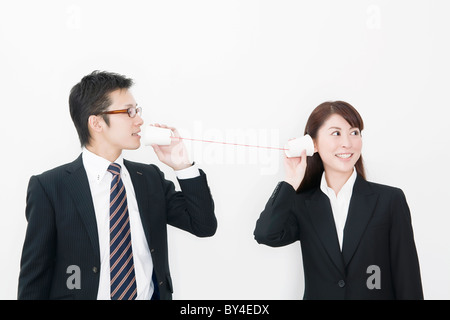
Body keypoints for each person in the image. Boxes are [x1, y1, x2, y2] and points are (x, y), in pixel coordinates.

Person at [18, 70, 217, 300]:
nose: (139, 120)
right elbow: (34, 277)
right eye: (129, 112)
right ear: (96, 122)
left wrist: (183, 166)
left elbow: (203, 226)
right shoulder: (50, 187)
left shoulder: (149, 177)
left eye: (137, 110)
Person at [253, 101, 423, 299]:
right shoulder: (302, 203)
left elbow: (408, 279)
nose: (347, 143)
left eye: (354, 132)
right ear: (313, 143)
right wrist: (291, 181)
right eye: (336, 133)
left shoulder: (389, 200)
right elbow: (266, 235)